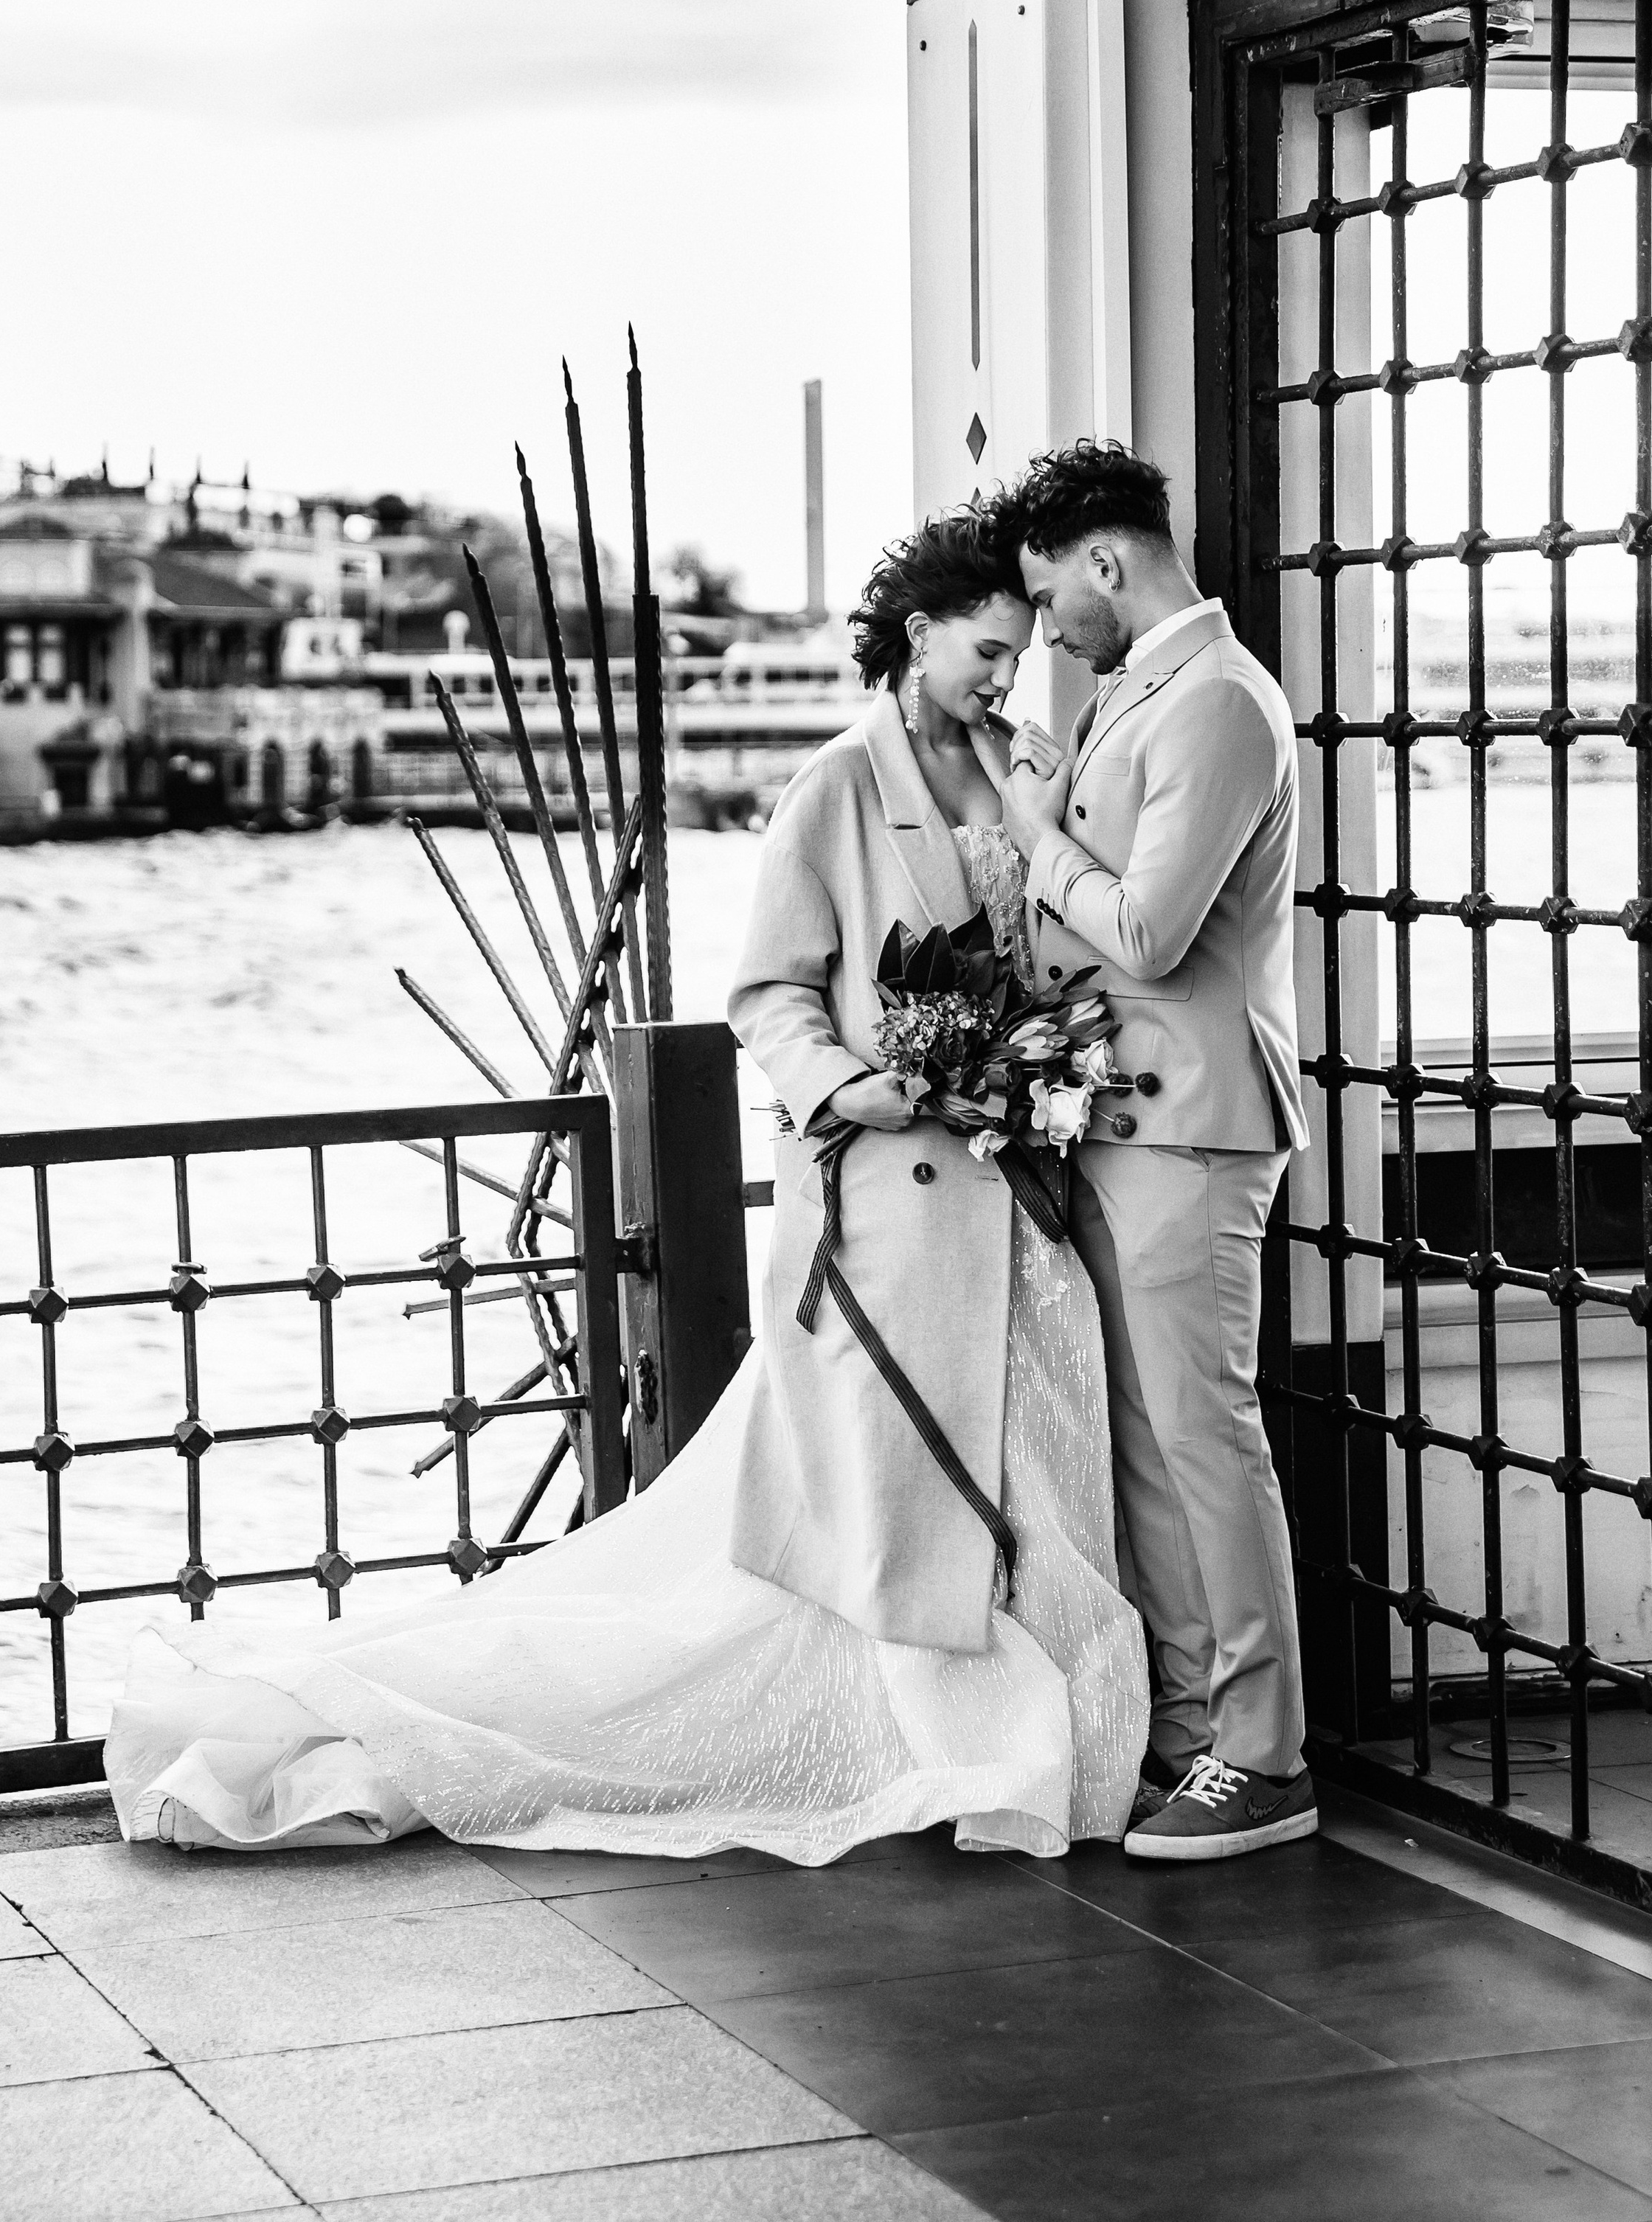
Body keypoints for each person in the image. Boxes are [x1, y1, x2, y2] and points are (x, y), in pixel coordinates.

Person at [105, 506, 1147, 1861]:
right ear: (916, 636)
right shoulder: (836, 784)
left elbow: (1052, 946)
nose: (1007, 678)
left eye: (1019, 656)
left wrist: (1039, 885)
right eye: (988, 653)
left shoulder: (1022, 768)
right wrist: (854, 1085)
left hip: (1013, 1194)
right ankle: (952, 1744)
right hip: (886, 1208)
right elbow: (768, 993)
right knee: (891, 1504)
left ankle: (1005, 1737)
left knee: (1026, 1481)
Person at [991, 439, 1316, 1864]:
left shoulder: (1224, 705)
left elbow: (1147, 934)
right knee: (1147, 1446)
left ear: (1108, 564)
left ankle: (1267, 1756)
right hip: (1126, 1113)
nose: (1047, 627)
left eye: (1051, 594)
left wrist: (1032, 831)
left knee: (1204, 1437)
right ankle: (1190, 1736)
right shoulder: (1137, 696)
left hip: (1193, 1123)